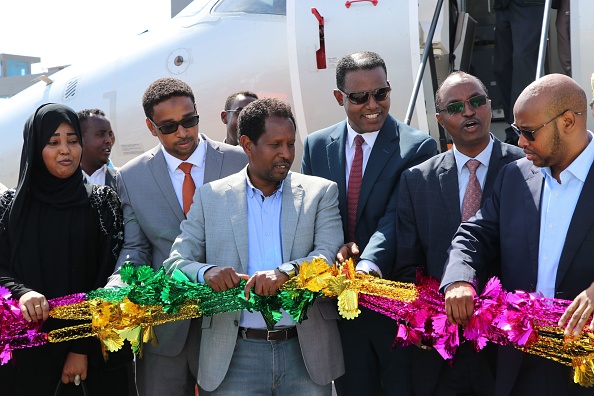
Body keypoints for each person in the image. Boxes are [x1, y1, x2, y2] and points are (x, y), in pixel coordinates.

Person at [164, 98, 345, 395]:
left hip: (305, 352)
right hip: (234, 355)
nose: (286, 154)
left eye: (290, 143)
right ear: (247, 145)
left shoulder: (320, 192)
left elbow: (326, 255)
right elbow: (175, 263)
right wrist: (207, 272)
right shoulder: (211, 197)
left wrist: (286, 273)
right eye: (275, 145)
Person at [441, 73, 594, 395]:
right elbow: (474, 233)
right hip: (522, 360)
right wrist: (459, 278)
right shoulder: (515, 176)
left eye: (528, 132)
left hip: (586, 363)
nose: (520, 142)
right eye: (516, 132)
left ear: (568, 121)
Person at [301, 51, 437, 396]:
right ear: (339, 98)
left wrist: (368, 264)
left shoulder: (417, 147)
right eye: (360, 97)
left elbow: (397, 216)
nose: (373, 104)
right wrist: (333, 256)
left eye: (381, 93)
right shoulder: (316, 146)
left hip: (392, 303)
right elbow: (313, 215)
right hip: (339, 309)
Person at [107, 77, 247, 396]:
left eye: (189, 121)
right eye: (169, 126)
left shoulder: (238, 162)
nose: (183, 132)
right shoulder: (131, 177)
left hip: (231, 323)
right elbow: (135, 248)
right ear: (150, 126)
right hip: (165, 333)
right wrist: (117, 286)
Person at [393, 71, 524, 396]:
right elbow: (407, 266)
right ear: (440, 119)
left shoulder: (527, 169)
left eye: (477, 102)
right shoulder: (417, 180)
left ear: (489, 105)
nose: (469, 111)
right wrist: (432, 318)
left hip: (511, 348)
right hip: (443, 353)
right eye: (456, 107)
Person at [0, 103, 133, 395]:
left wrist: (81, 348)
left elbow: (107, 278)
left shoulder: (101, 203)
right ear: (35, 147)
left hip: (93, 354)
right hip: (27, 359)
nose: (65, 150)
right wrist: (22, 292)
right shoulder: (11, 208)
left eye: (73, 141)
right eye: (53, 142)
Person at [493, 0, 545, 145]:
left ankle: (523, 129)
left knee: (523, 64)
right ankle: (513, 127)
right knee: (501, 67)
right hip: (503, 5)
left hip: (529, 4)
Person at [78, 109, 117, 188]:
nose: (109, 140)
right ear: (81, 138)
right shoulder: (60, 183)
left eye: (110, 134)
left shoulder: (121, 179)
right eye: (101, 134)